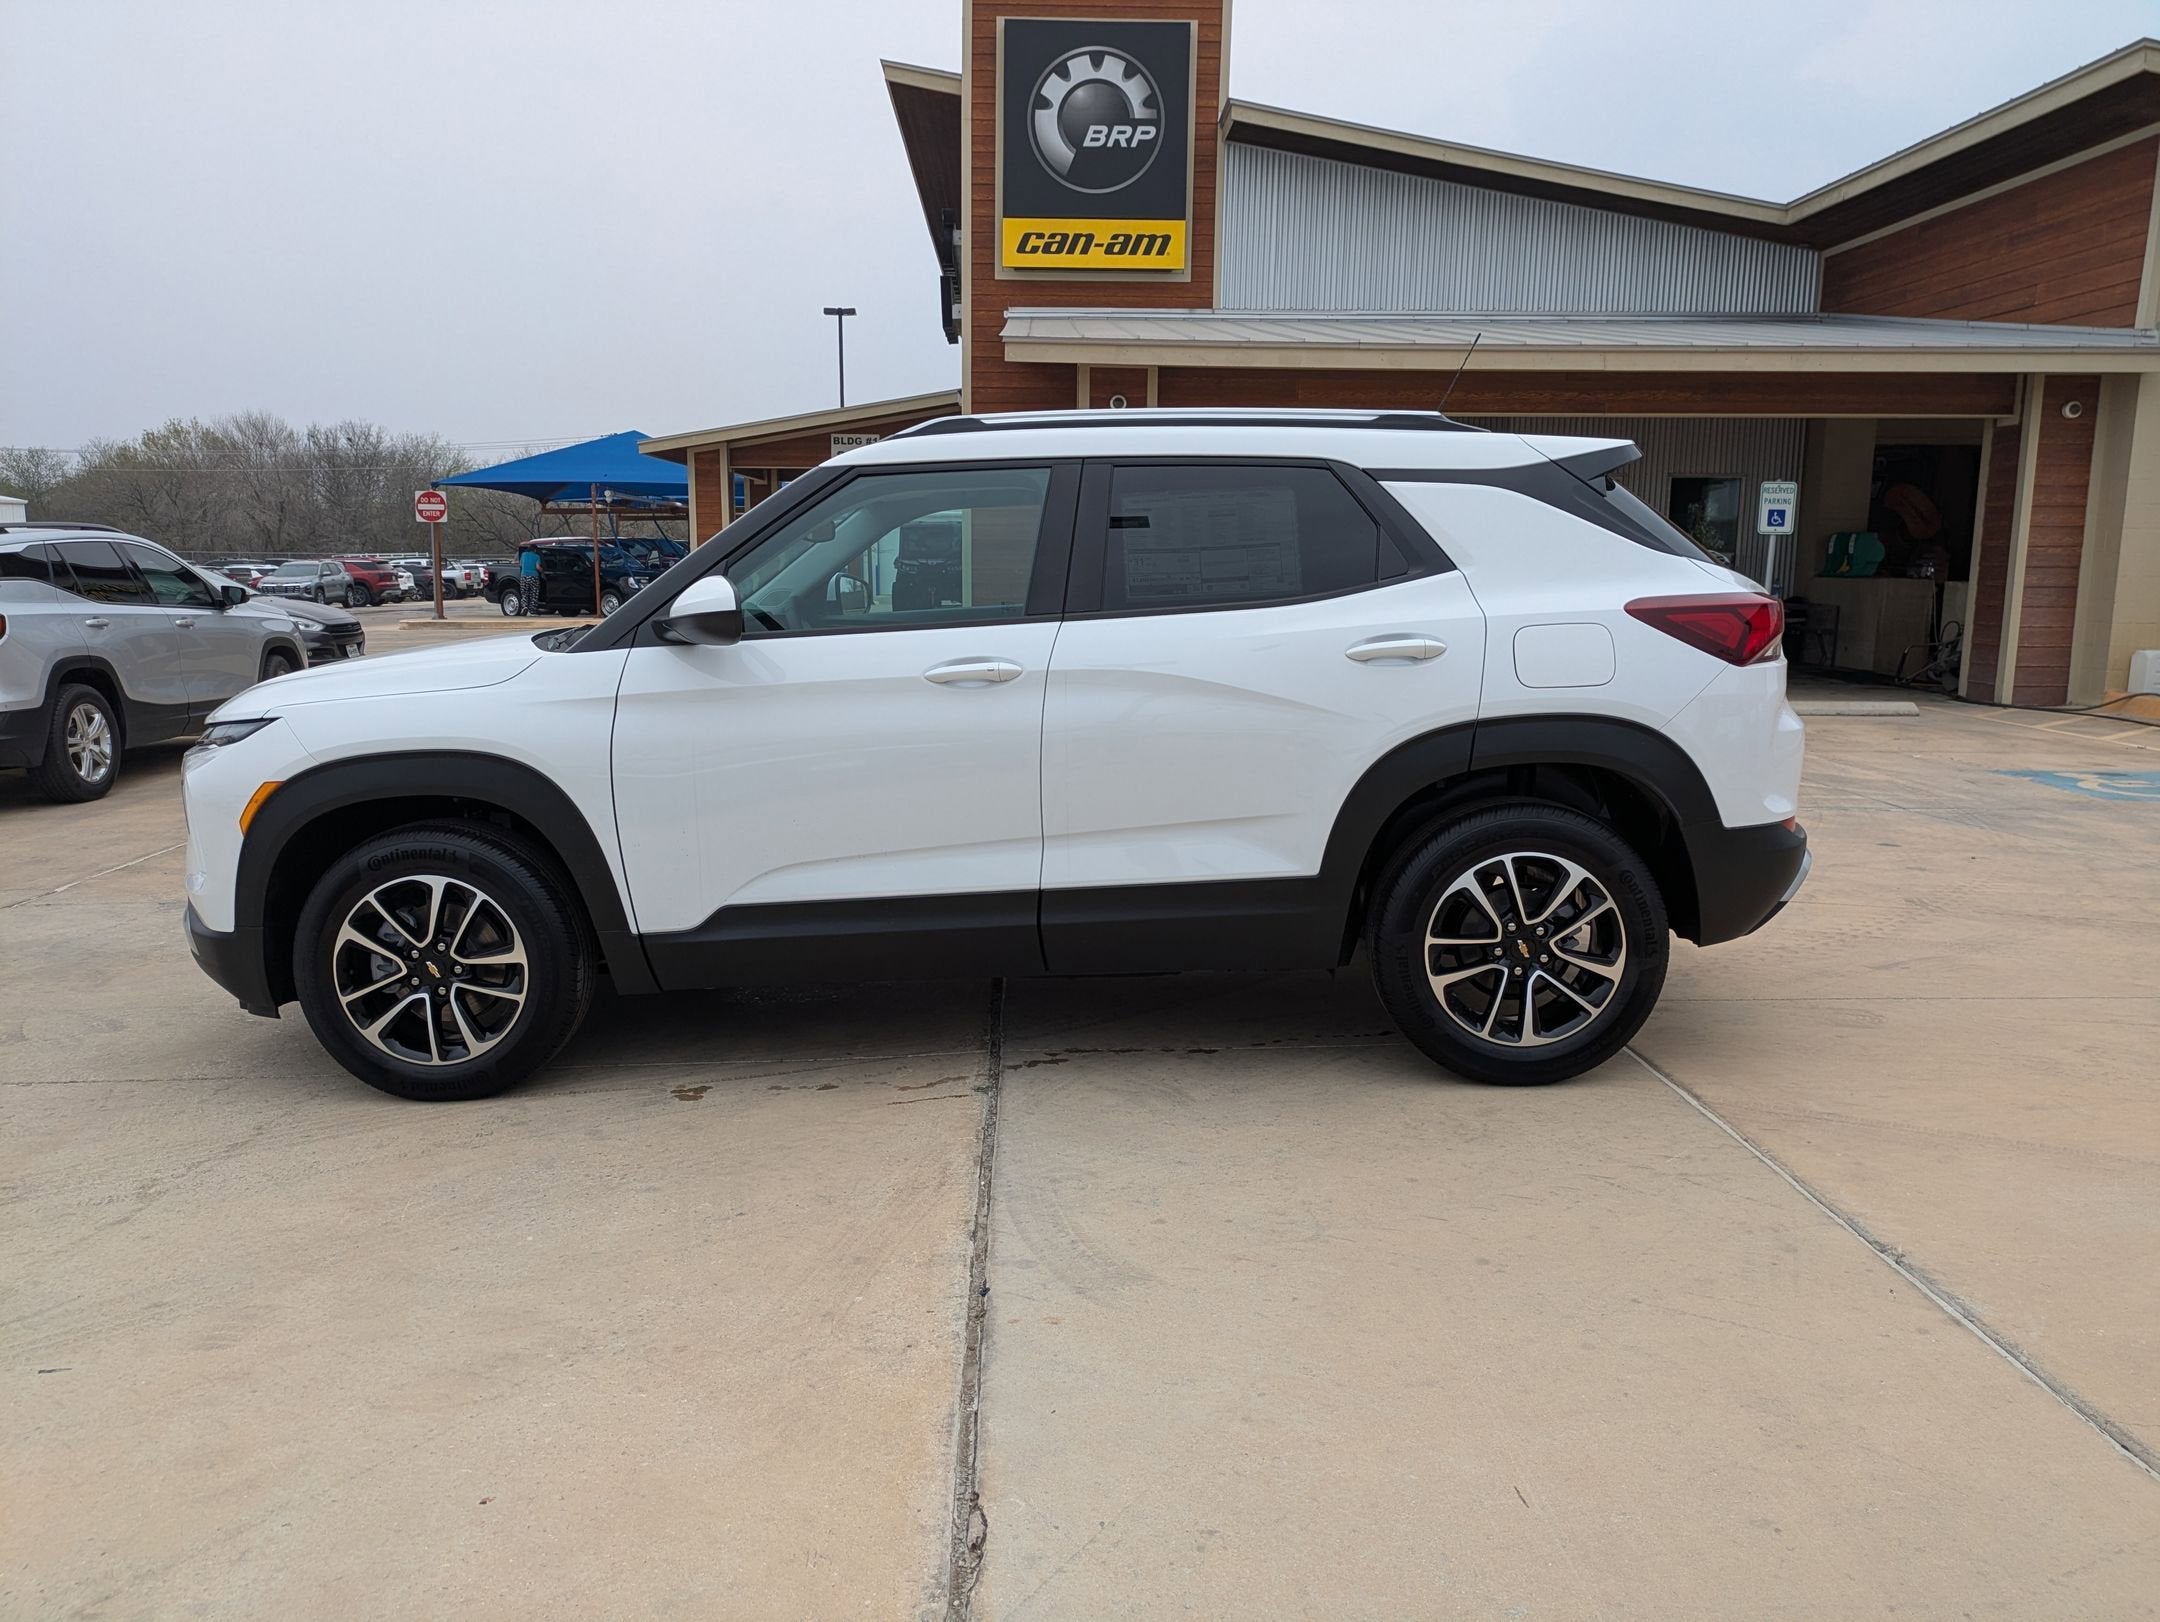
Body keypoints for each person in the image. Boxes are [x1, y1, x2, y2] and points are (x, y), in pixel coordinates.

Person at [517, 544, 541, 615]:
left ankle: (525, 607)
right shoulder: (537, 556)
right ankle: (533, 609)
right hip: (534, 577)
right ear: (535, 550)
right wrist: (542, 571)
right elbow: (538, 567)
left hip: (524, 576)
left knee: (524, 593)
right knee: (534, 593)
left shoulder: (523, 555)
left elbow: (521, 564)